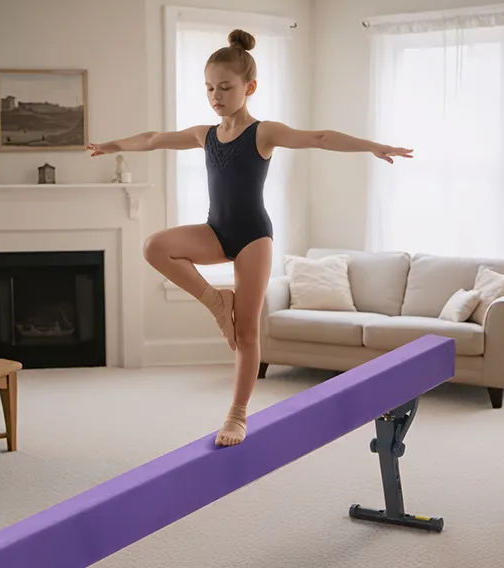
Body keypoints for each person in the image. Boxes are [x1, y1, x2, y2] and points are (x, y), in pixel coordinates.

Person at [87, 29, 413, 447]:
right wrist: (112, 145)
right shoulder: (203, 134)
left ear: (249, 87)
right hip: (215, 231)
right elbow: (154, 139)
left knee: (246, 333)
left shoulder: (263, 133)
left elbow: (319, 138)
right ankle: (217, 301)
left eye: (225, 87)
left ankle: (237, 415)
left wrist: (374, 146)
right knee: (155, 246)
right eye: (209, 88)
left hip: (252, 238)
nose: (216, 96)